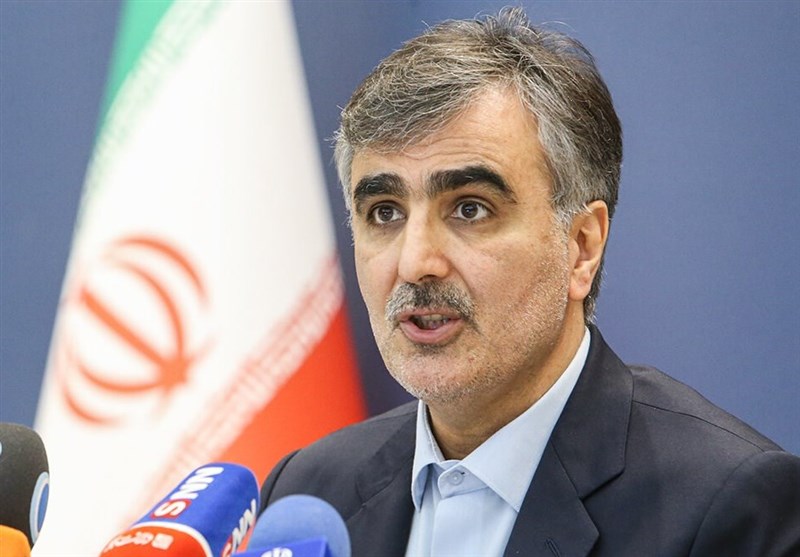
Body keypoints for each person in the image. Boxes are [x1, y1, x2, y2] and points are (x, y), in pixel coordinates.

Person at [260, 7, 800, 556]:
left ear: (582, 246)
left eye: (470, 209)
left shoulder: (729, 509)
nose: (415, 262)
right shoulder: (306, 495)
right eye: (384, 212)